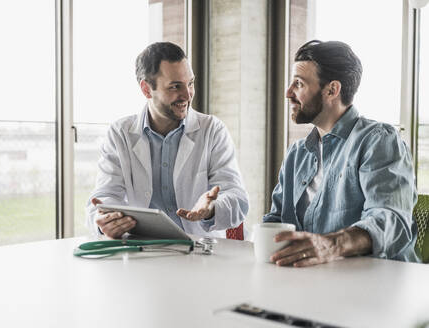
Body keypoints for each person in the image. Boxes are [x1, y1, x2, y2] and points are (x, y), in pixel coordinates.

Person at [263, 40, 419, 267]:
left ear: (332, 90)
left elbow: (391, 220)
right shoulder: (297, 154)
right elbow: (276, 222)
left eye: (299, 84)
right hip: (314, 283)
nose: (288, 93)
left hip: (379, 285)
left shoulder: (378, 141)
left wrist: (332, 245)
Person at [86, 42, 249, 239]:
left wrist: (213, 207)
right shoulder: (120, 133)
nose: (187, 95)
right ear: (146, 89)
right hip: (143, 250)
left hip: (199, 254)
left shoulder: (212, 130)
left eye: (190, 83)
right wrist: (106, 221)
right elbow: (105, 196)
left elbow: (237, 198)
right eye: (175, 87)